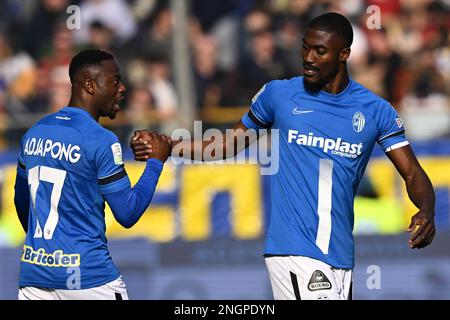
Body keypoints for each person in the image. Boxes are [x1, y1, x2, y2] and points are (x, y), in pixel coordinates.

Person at [131, 12, 436, 300]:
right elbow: (228, 144)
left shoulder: (375, 110)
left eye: (319, 51)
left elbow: (411, 172)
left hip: (341, 256)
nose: (308, 58)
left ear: (343, 54)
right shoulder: (280, 95)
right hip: (295, 251)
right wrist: (171, 146)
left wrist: (426, 208)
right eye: (305, 48)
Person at [13, 49, 171, 300]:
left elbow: (22, 203)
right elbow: (127, 213)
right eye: (114, 81)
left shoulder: (35, 132)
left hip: (36, 276)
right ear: (90, 85)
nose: (122, 89)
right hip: (90, 279)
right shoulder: (100, 140)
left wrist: (50, 251)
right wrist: (155, 163)